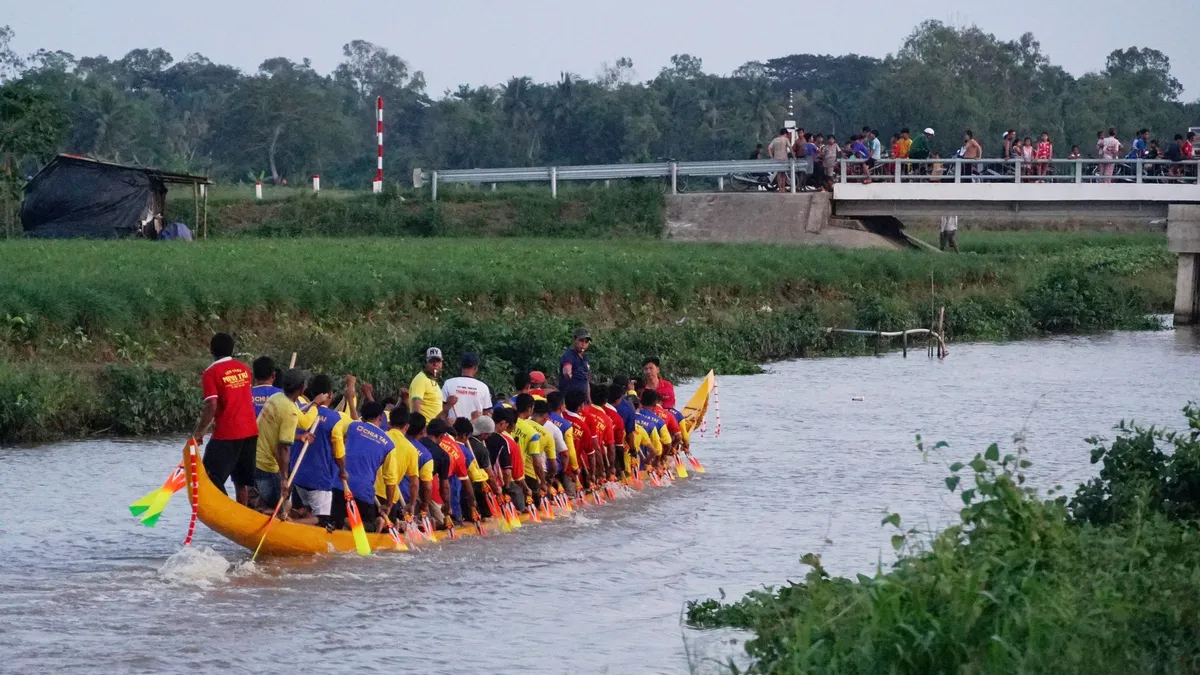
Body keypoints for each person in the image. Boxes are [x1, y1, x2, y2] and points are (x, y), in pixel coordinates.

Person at [193, 333, 258, 506]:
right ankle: (241, 513)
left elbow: (211, 405)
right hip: (250, 430)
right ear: (232, 349)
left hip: (228, 433)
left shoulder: (211, 373)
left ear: (211, 350)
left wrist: (199, 432)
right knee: (241, 481)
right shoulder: (244, 369)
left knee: (208, 474)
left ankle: (226, 511)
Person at [331, 401, 395, 533]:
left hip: (340, 484)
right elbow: (390, 481)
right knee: (370, 528)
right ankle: (370, 524)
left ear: (362, 416)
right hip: (364, 492)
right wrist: (388, 505)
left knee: (334, 520)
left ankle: (343, 521)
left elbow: (335, 433)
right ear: (380, 418)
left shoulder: (352, 426)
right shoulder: (389, 445)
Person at [287, 374, 343, 527]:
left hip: (297, 476)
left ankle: (291, 519)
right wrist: (343, 471)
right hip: (319, 480)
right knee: (323, 520)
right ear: (330, 395)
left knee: (302, 510)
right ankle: (293, 524)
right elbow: (339, 454)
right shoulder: (335, 419)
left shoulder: (300, 411)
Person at [253, 369, 309, 514]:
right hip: (266, 467)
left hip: (253, 458)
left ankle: (261, 507)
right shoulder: (290, 412)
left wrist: (314, 404)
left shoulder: (275, 397)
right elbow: (284, 447)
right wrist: (284, 478)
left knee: (272, 501)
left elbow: (300, 421)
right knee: (283, 508)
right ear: (302, 387)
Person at [380, 406, 421, 524]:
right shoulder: (411, 449)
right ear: (407, 427)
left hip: (369, 491)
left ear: (389, 423)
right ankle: (395, 524)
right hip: (390, 497)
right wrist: (412, 504)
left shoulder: (381, 436)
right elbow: (414, 483)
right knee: (390, 525)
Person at [511, 393, 547, 506]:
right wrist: (542, 481)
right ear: (529, 409)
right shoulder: (532, 433)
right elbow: (536, 461)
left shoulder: (506, 422)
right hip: (517, 475)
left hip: (500, 474)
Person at [441, 352, 491, 422]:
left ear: (461, 366)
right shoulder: (483, 387)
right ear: (475, 368)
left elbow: (441, 410)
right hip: (475, 430)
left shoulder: (448, 383)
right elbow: (486, 413)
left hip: (452, 429)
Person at [410, 347, 455, 420]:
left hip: (434, 427)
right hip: (425, 428)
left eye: (438, 361)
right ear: (425, 363)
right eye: (432, 361)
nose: (435, 364)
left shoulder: (432, 381)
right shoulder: (421, 379)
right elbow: (416, 408)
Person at [583, 384, 616, 479]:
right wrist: (611, 467)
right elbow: (611, 448)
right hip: (594, 459)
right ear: (606, 401)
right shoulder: (607, 420)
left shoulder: (582, 410)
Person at [559, 327, 592, 398]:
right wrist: (568, 373)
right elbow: (567, 370)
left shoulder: (585, 358)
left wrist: (588, 397)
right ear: (574, 339)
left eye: (586, 342)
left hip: (581, 398)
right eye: (581, 340)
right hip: (569, 398)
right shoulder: (569, 355)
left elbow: (586, 380)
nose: (583, 344)